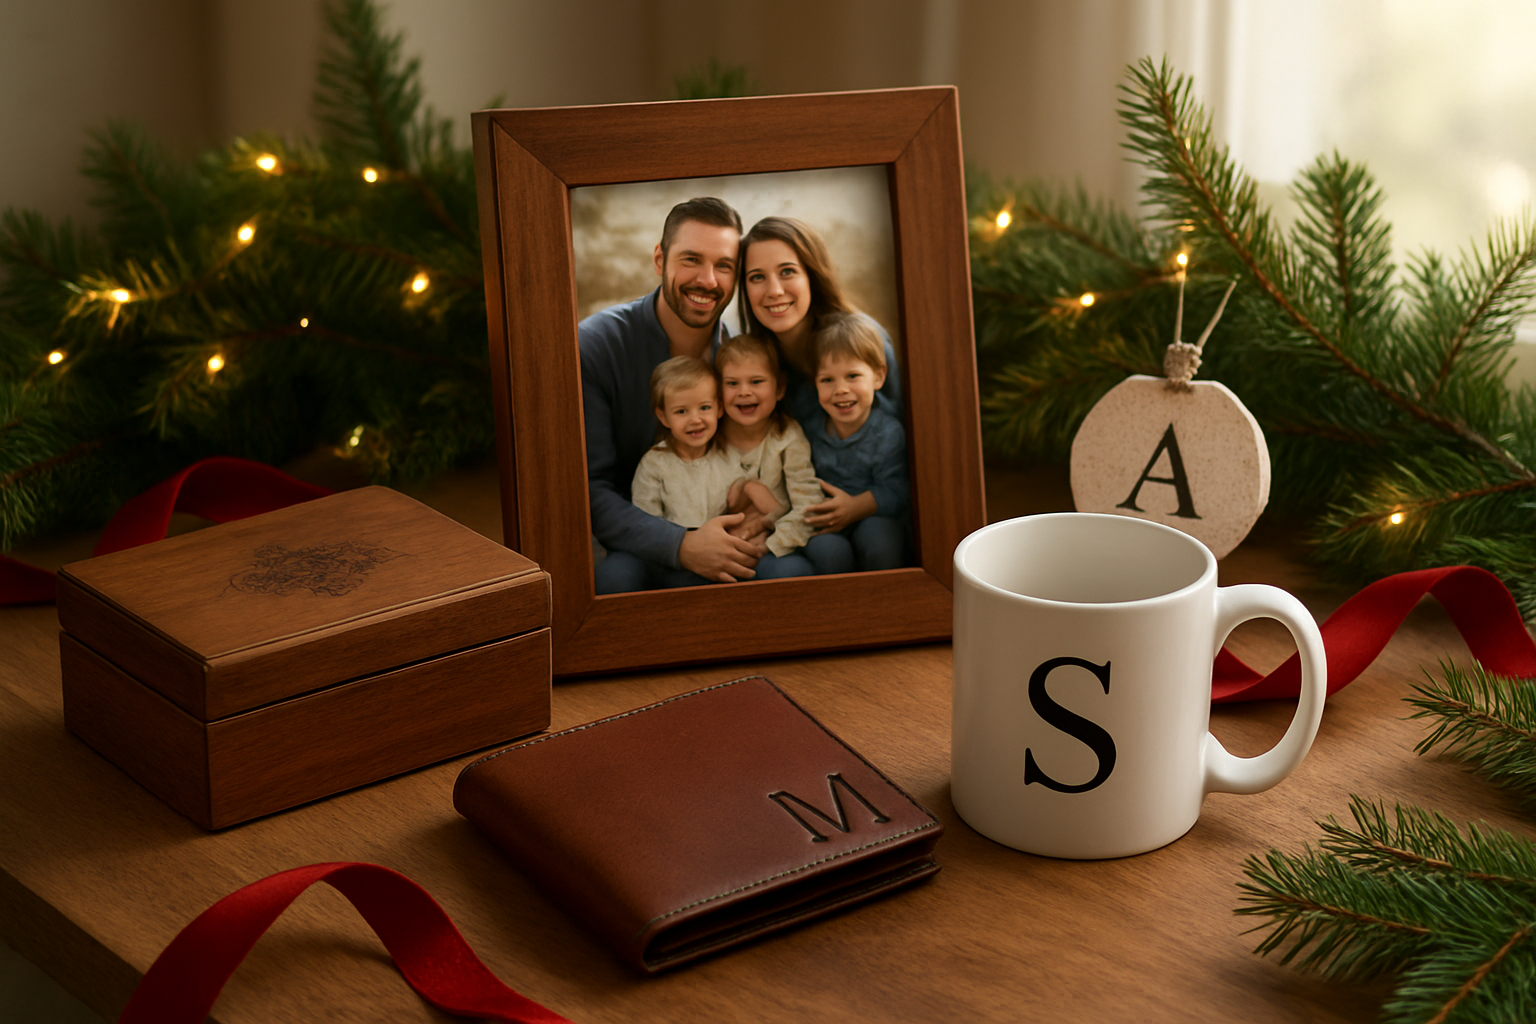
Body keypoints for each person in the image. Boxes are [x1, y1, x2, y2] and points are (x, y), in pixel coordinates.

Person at [580, 197, 762, 593]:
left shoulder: (740, 364)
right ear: (661, 259)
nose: (708, 280)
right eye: (691, 259)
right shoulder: (596, 346)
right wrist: (680, 545)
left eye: (724, 266)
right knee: (616, 582)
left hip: (724, 532)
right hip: (637, 540)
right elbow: (588, 486)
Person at [631, 356, 810, 587]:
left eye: (704, 408)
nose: (695, 420)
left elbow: (746, 507)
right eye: (681, 411)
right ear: (663, 416)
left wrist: (761, 514)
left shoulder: (729, 457)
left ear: (718, 408)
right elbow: (646, 523)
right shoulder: (654, 464)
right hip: (673, 560)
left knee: (785, 570)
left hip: (723, 555)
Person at [735, 216, 904, 429]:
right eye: (757, 277)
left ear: (812, 277)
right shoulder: (747, 365)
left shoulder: (866, 340)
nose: (775, 291)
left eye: (787, 272)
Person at [802, 313, 909, 573]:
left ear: (878, 377)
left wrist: (855, 507)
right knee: (829, 552)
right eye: (827, 380)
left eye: (852, 376)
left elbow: (897, 488)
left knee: (881, 540)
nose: (840, 389)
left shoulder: (888, 433)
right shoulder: (808, 432)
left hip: (872, 516)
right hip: (825, 522)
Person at [714, 334, 822, 570]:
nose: (744, 392)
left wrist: (770, 542)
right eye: (732, 383)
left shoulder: (787, 438)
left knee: (792, 570)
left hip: (774, 542)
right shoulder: (709, 436)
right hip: (720, 545)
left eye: (756, 382)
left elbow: (809, 504)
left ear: (780, 388)